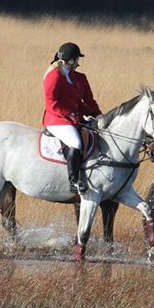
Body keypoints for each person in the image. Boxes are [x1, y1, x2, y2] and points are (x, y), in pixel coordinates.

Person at [43, 42, 102, 194]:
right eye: (77, 59)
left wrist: (98, 115)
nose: (78, 63)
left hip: (74, 118)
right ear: (70, 61)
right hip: (57, 120)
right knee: (75, 142)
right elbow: (51, 104)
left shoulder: (76, 76)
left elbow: (84, 101)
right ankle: (74, 181)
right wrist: (69, 115)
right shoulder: (53, 76)